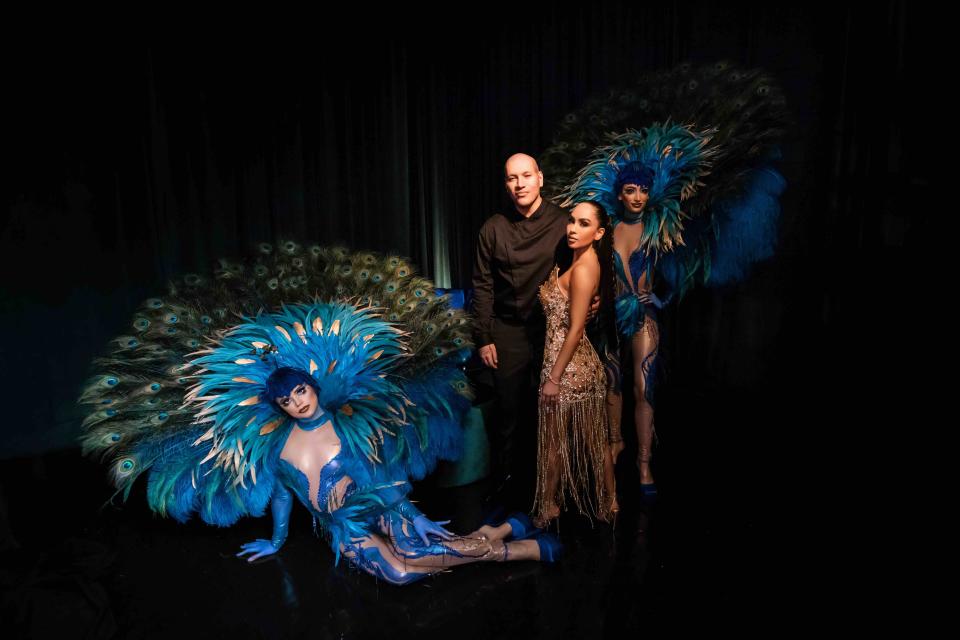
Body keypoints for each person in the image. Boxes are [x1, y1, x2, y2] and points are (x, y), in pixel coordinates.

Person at [236, 366, 560, 585]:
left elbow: (377, 480)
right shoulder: (280, 449)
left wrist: (413, 515)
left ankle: (513, 550)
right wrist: (276, 541)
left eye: (300, 391)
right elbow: (282, 494)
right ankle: (494, 532)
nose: (297, 402)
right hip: (342, 526)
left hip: (382, 506)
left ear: (313, 387)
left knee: (415, 550)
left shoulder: (349, 426)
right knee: (398, 573)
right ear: (281, 407)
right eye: (286, 401)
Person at [471, 153, 571, 507]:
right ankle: (504, 488)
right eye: (512, 178)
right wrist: (484, 337)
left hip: (551, 330)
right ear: (506, 185)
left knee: (549, 412)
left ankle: (550, 487)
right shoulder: (493, 228)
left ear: (540, 179)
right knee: (508, 415)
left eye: (526, 176)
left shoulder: (563, 222)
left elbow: (585, 268)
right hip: (508, 331)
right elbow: (481, 286)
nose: (519, 184)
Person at [533, 201, 618, 528]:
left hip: (570, 370)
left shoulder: (584, 268)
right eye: (571, 221)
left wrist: (554, 378)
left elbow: (576, 329)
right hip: (562, 363)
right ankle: (590, 502)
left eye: (583, 224)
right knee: (572, 442)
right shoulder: (579, 260)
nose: (572, 228)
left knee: (577, 443)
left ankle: (598, 502)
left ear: (598, 233)